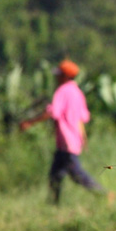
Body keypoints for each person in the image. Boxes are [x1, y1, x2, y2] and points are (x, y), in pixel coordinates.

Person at [19, 59, 104, 203]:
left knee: (76, 174)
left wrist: (30, 123)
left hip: (67, 140)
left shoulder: (63, 91)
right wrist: (83, 139)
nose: (56, 77)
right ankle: (53, 204)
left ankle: (103, 194)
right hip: (71, 141)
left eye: (58, 75)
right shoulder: (78, 92)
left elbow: (52, 112)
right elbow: (83, 118)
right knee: (55, 175)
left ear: (65, 76)